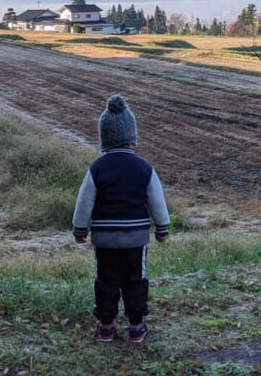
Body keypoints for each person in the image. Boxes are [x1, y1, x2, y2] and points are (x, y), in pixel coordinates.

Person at [73, 94, 170, 344]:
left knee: (106, 282)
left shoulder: (97, 168)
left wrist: (80, 229)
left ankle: (106, 327)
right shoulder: (143, 167)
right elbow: (156, 200)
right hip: (136, 241)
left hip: (105, 241)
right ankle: (136, 327)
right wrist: (162, 228)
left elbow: (85, 201)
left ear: (104, 137)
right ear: (132, 136)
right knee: (135, 281)